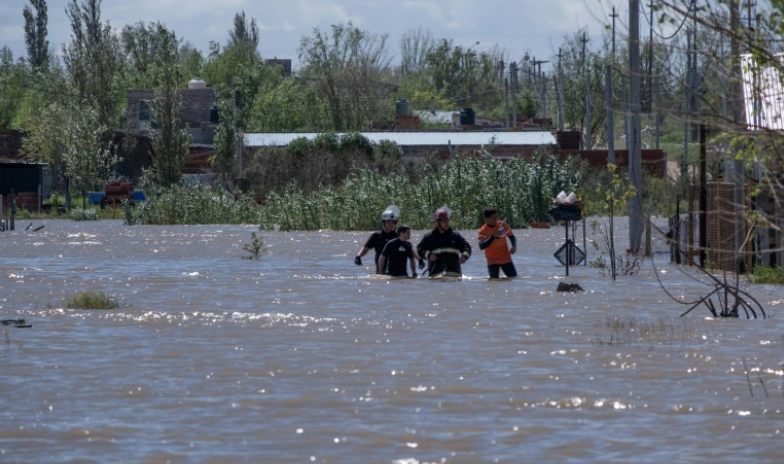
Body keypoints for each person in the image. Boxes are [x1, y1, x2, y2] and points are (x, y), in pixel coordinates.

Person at [417, 206, 472, 276]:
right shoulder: (429, 237)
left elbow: (467, 246)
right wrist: (429, 255)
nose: (446, 223)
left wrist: (464, 256)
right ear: (438, 223)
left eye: (447, 221)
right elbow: (420, 249)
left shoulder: (455, 236)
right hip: (436, 275)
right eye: (444, 221)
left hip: (454, 274)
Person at [354, 205, 400, 273]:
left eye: (393, 222)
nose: (391, 224)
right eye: (389, 222)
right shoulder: (376, 236)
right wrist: (358, 256)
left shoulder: (397, 236)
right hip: (381, 269)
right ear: (384, 223)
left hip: (395, 269)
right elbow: (366, 248)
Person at [477, 207, 518, 279]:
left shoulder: (502, 225)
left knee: (514, 279)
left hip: (506, 258)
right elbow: (481, 246)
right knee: (494, 282)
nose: (496, 219)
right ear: (486, 219)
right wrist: (493, 236)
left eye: (496, 217)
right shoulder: (482, 231)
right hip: (492, 260)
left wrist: (514, 246)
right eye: (493, 218)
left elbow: (512, 237)